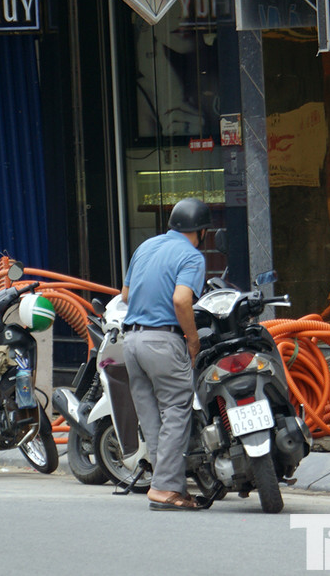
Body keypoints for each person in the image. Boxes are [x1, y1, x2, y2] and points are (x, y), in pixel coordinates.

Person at [120, 197, 209, 511]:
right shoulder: (192, 256)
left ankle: (166, 485)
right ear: (200, 231)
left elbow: (126, 294)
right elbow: (182, 300)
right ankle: (164, 488)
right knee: (176, 409)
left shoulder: (146, 247)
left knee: (153, 418)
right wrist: (193, 339)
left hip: (130, 342)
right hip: (162, 341)